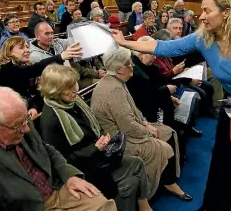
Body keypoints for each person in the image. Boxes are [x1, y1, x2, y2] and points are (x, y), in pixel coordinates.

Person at [110, 0, 231, 211]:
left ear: (227, 12)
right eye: (201, 11)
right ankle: (215, 206)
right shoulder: (204, 39)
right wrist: (125, 43)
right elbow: (162, 47)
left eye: (207, 11)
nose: (201, 16)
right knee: (223, 155)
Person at [0, 86, 117, 211]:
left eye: (26, 120)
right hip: (33, 207)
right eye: (18, 127)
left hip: (56, 189)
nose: (26, 129)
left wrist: (69, 175)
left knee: (104, 205)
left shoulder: (18, 121)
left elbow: (47, 150)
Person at [39, 64, 153, 211]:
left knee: (137, 163)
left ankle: (144, 205)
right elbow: (62, 160)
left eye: (74, 84)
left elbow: (92, 126)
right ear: (55, 90)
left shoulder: (74, 102)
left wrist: (101, 135)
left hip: (98, 157)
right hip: (84, 168)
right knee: (130, 183)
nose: (75, 90)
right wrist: (95, 148)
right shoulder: (51, 120)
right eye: (68, 88)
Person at [90, 47, 192, 200]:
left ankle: (167, 181)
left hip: (126, 130)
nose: (132, 65)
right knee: (162, 147)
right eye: (128, 63)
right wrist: (147, 131)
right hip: (119, 140)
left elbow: (133, 111)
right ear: (119, 70)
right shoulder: (113, 90)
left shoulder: (117, 81)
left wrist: (145, 123)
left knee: (168, 131)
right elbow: (128, 126)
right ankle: (151, 191)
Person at [0, 36, 82, 116]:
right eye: (21, 48)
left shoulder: (23, 66)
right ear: (9, 52)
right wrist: (60, 57)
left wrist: (33, 107)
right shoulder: (7, 68)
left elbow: (31, 94)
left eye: (27, 47)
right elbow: (35, 68)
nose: (27, 50)